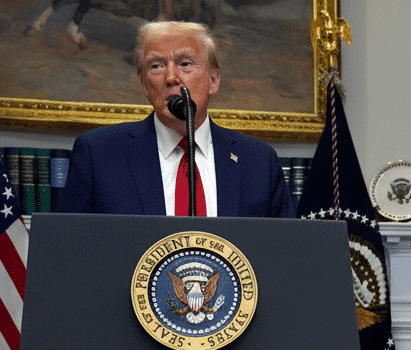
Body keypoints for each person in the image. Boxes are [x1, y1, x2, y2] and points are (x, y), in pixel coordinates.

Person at [56, 21, 294, 218]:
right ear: (144, 85)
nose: (171, 77)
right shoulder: (98, 154)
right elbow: (68, 252)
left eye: (185, 64)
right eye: (157, 66)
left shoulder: (259, 162)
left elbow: (284, 256)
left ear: (213, 80)